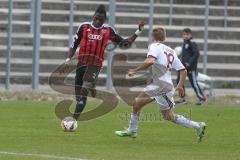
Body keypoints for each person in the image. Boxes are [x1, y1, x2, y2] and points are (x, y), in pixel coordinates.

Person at [115, 27, 207, 142]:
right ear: (164, 38)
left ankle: (198, 126)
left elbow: (150, 61)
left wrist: (135, 70)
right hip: (157, 85)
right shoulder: (170, 50)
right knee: (137, 103)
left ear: (152, 37)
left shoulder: (154, 46)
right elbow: (183, 70)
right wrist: (179, 85)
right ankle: (132, 130)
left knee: (168, 116)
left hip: (162, 87)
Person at [62, 4, 145, 120]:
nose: (97, 21)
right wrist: (68, 59)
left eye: (100, 20)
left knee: (84, 90)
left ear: (104, 20)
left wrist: (138, 32)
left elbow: (124, 44)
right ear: (93, 16)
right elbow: (74, 44)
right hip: (82, 63)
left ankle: (74, 120)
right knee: (78, 93)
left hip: (95, 65)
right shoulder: (83, 27)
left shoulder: (108, 30)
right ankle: (92, 85)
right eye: (95, 18)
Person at [175, 28, 206, 105]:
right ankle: (182, 98)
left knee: (194, 83)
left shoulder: (192, 43)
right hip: (183, 67)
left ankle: (201, 98)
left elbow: (196, 54)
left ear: (190, 35)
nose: (185, 36)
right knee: (179, 81)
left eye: (187, 34)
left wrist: (189, 62)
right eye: (184, 34)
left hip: (190, 68)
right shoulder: (185, 43)